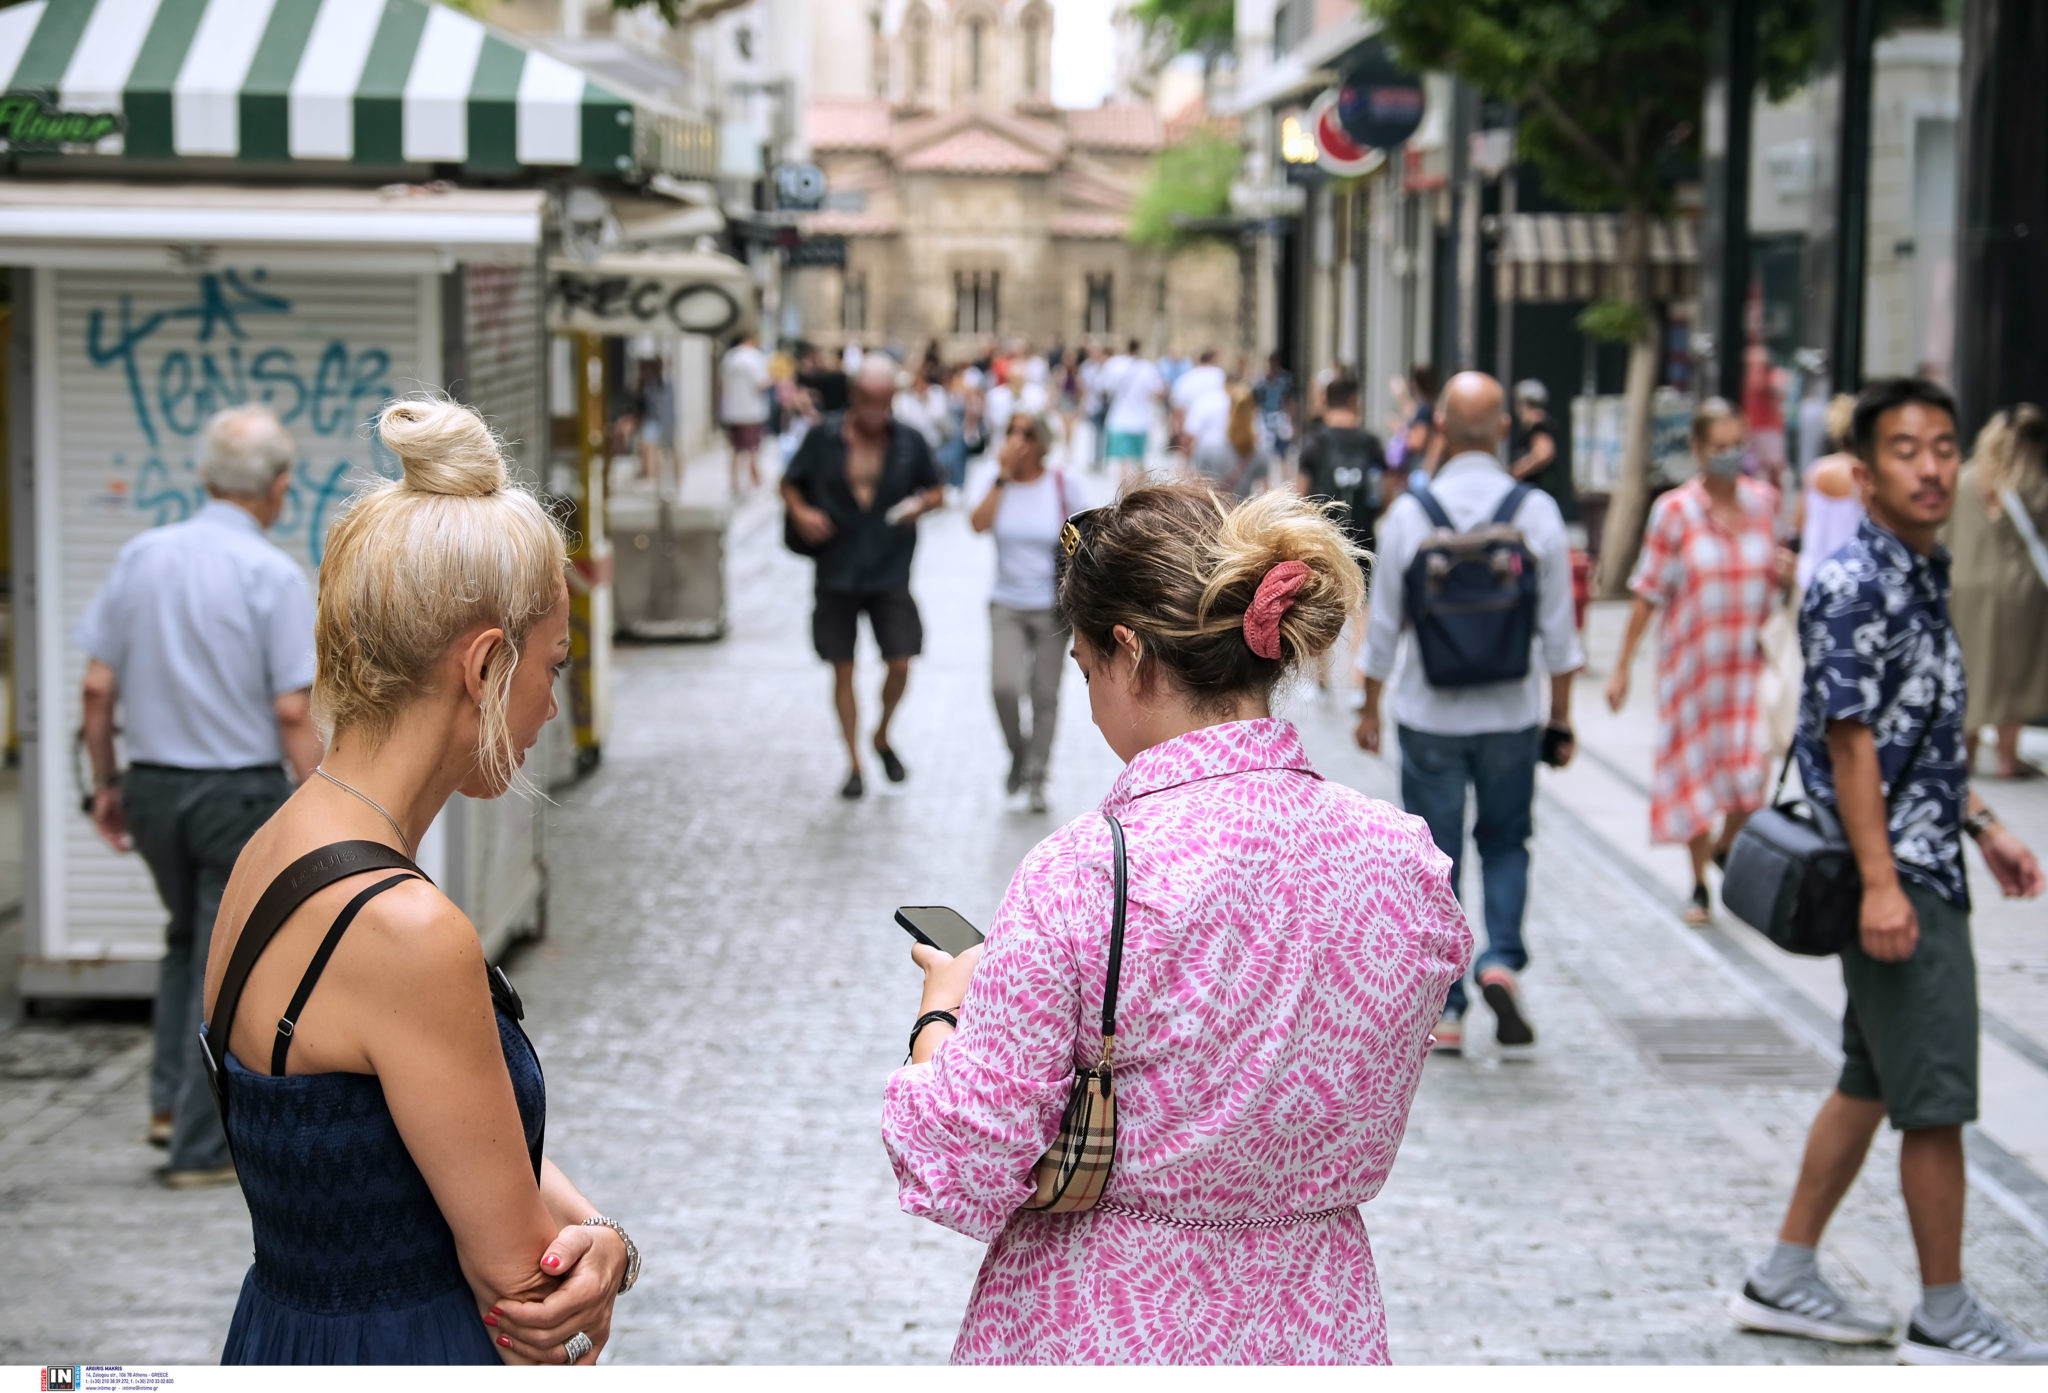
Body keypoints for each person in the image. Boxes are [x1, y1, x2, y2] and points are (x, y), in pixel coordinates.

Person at [883, 482, 1471, 1364]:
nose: (1089, 701)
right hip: (1319, 1317)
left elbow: (960, 1160)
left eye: (1085, 670)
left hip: (1106, 1316)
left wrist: (943, 1011)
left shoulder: (1084, 872)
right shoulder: (1405, 861)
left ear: (1129, 652)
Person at [202, 398, 638, 1363]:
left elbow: (424, 1137)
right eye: (550, 666)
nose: (551, 708)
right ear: (485, 666)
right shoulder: (404, 929)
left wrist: (601, 1234)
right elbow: (524, 1290)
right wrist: (605, 1252)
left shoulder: (271, 847)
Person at [1731, 378, 2047, 1365]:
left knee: (1870, 1079)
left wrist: (1983, 822)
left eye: (1943, 446)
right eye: (1905, 450)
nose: (1929, 466)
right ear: (1862, 476)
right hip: (1898, 878)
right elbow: (1852, 743)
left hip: (1916, 856)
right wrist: (1878, 881)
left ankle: (1782, 1275)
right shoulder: (1857, 579)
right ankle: (1945, 1315)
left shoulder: (1915, 569)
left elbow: (1918, 739)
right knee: (1935, 1099)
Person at [76, 406, 321, 1187]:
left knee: (186, 940)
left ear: (206, 477)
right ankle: (197, 1145)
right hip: (234, 792)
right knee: (225, 964)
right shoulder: (272, 574)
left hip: (150, 785)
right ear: (278, 488)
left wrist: (106, 784)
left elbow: (96, 687)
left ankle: (161, 1105)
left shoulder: (142, 554)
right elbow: (291, 708)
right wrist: (326, 802)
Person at [1354, 372, 1583, 1056]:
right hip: (1512, 712)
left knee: (1438, 859)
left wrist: (1370, 708)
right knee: (1508, 841)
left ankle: (1448, 1009)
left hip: (1430, 712)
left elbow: (1383, 629)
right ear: (1506, 428)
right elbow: (1561, 633)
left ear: (1442, 430)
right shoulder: (1534, 510)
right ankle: (1502, 961)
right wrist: (1561, 719)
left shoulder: (1411, 514)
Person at [1606, 399, 1792, 924]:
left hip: (1751, 671)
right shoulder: (1675, 511)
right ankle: (1698, 883)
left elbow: (1776, 570)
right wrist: (1622, 666)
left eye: (1738, 445)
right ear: (1698, 449)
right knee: (1696, 779)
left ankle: (1725, 848)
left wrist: (1789, 574)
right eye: (1719, 446)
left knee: (1750, 779)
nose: (1730, 455)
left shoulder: (1764, 503)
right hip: (1693, 674)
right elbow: (1647, 592)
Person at [782, 358, 946, 800]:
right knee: (843, 668)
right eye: (869, 401)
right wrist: (802, 512)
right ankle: (854, 763)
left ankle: (882, 733)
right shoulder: (823, 437)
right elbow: (789, 482)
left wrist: (921, 505)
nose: (877, 411)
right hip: (836, 567)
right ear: (854, 398)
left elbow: (937, 489)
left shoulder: (909, 442)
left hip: (889, 568)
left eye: (885, 401)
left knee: (901, 660)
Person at [969, 409, 1070, 814]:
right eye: (1011, 432)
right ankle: (1019, 752)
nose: (1016, 440)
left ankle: (1036, 776)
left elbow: (1086, 533)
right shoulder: (998, 481)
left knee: (1045, 694)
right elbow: (977, 524)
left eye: (1026, 434)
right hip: (1007, 602)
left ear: (1042, 442)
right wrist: (1001, 477)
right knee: (1004, 686)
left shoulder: (1061, 483)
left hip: (1051, 605)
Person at [1943, 404, 2048, 780]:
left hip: (1965, 582)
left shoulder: (1963, 478)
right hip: (2020, 590)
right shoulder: (2034, 484)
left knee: (1968, 668)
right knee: (2015, 671)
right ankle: (2007, 757)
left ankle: (1965, 754)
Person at [1796, 394, 1865, 593]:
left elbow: (1800, 524)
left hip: (1809, 576)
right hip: (1849, 580)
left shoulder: (1816, 469)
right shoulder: (1864, 477)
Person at [1508, 379, 1577, 522]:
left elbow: (1544, 454)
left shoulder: (1538, 425)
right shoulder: (1538, 425)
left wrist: (1515, 471)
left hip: (1537, 492)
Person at [1188, 385, 1271, 500]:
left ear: (1229, 408)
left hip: (1212, 512)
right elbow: (1267, 493)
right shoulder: (1259, 448)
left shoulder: (1207, 444)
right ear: (1253, 410)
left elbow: (1194, 484)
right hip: (1242, 514)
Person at [1100, 337, 1164, 481]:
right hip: (1140, 421)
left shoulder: (1113, 365)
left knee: (1123, 464)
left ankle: (1124, 497)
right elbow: (1158, 391)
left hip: (1118, 420)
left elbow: (1103, 387)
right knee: (1139, 461)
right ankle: (1141, 497)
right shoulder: (1147, 368)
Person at [720, 330, 772, 495]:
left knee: (735, 449)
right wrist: (774, 378)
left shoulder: (729, 357)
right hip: (751, 411)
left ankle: (734, 483)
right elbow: (760, 384)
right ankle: (756, 482)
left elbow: (722, 383)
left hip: (732, 410)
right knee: (752, 449)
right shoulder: (755, 357)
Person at [1169, 347, 1227, 452]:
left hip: (1190, 429)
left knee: (1188, 463)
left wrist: (1176, 431)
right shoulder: (1218, 375)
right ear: (1213, 360)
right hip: (1216, 432)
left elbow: (1177, 408)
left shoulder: (1185, 379)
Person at [634, 357, 675, 485]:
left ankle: (654, 476)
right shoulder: (647, 384)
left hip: (660, 420)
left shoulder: (663, 384)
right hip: (650, 419)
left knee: (663, 449)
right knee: (648, 446)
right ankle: (650, 476)